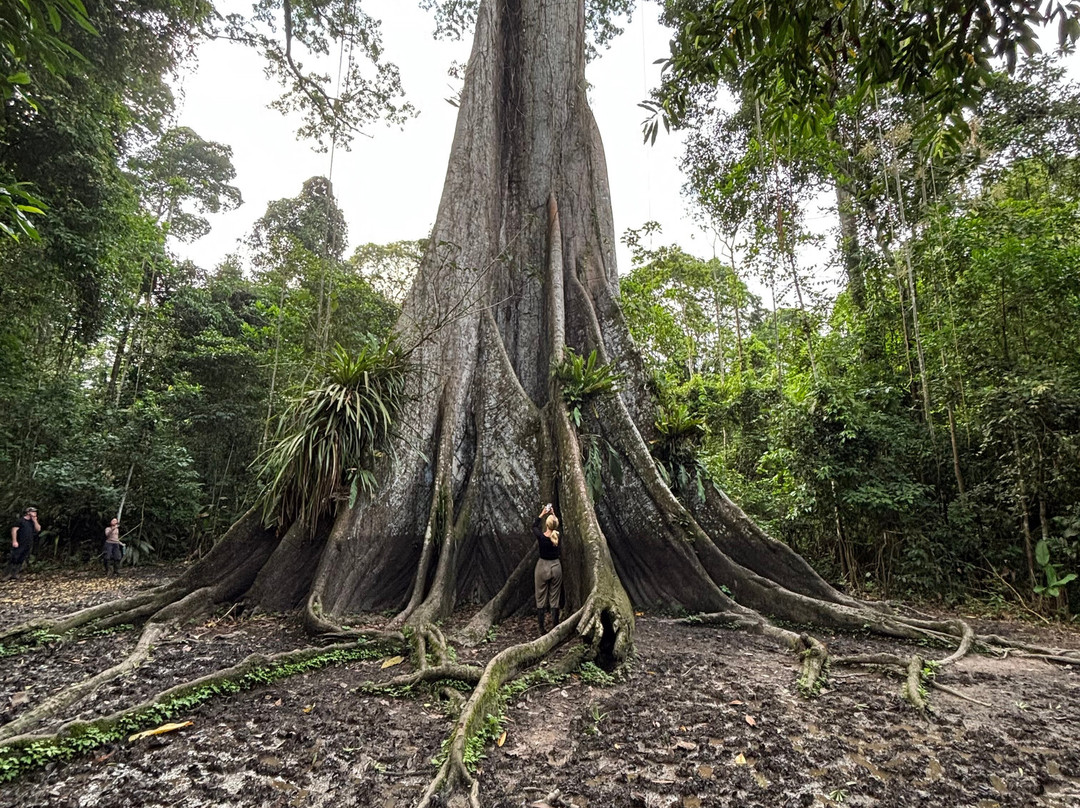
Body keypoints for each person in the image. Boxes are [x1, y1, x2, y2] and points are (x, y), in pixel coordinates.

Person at [532, 502, 562, 636]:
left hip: (542, 567)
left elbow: (534, 526)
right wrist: (553, 515)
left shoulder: (541, 537)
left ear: (547, 525)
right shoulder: (557, 537)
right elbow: (556, 525)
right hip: (556, 567)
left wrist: (543, 514)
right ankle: (555, 626)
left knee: (540, 597)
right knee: (554, 597)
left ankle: (541, 628)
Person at [8, 507, 40, 580]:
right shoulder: (21, 521)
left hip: (28, 543)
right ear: (28, 512)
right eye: (33, 512)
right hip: (20, 542)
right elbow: (14, 530)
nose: (35, 513)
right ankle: (7, 574)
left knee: (22, 558)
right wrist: (14, 541)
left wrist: (35, 521)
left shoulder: (32, 522)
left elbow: (38, 529)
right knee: (15, 557)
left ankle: (15, 574)